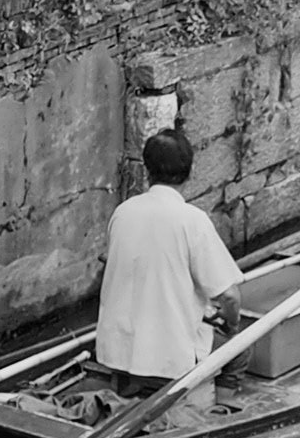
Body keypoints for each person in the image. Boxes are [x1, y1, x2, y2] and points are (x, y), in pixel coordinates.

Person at [95, 127, 242, 407]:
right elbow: (230, 296)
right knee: (242, 345)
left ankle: (128, 388)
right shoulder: (193, 221)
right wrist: (232, 324)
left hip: (117, 351)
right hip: (171, 357)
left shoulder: (123, 213)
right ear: (189, 172)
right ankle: (218, 410)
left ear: (148, 170)